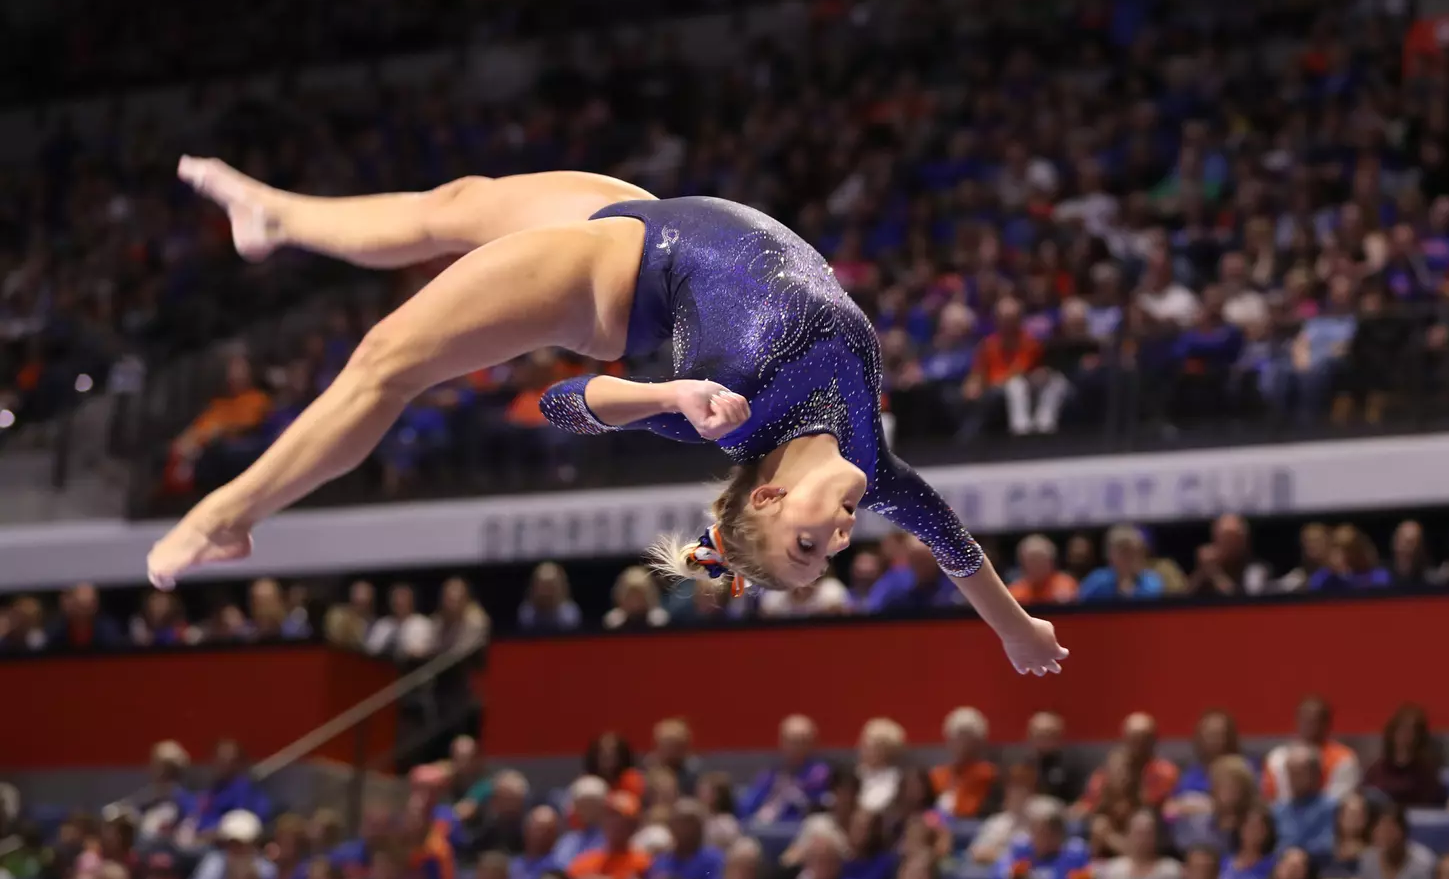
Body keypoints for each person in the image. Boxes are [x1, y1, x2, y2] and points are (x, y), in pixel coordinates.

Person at [146, 163, 1068, 678]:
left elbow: (563, 404)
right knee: (454, 205)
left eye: (806, 547)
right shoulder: (877, 463)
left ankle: (228, 514)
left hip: (609, 279)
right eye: (825, 555)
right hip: (651, 218)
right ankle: (276, 214)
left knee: (387, 363)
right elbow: (960, 555)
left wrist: (665, 396)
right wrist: (1015, 631)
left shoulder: (722, 421)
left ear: (768, 497)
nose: (836, 541)